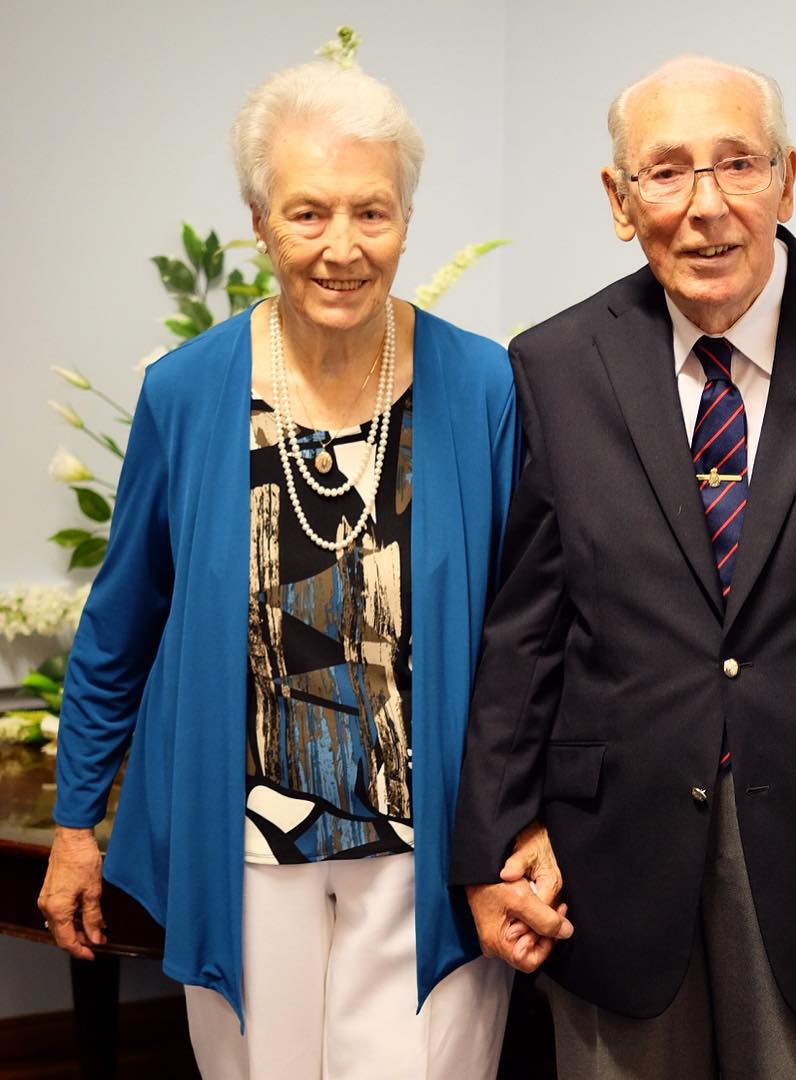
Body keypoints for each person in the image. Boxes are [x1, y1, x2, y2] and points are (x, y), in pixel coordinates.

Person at [450, 55, 796, 1078]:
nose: (706, 206)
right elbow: (526, 630)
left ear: (787, 180)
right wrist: (495, 840)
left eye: (738, 164)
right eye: (667, 172)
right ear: (620, 200)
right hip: (609, 870)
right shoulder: (555, 365)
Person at [38, 59, 517, 1079]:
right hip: (244, 847)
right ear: (259, 221)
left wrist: (528, 823)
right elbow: (122, 622)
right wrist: (75, 822)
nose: (343, 247)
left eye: (372, 212)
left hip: (434, 854)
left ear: (406, 218)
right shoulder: (186, 392)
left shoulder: (483, 384)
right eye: (308, 214)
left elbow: (530, 631)